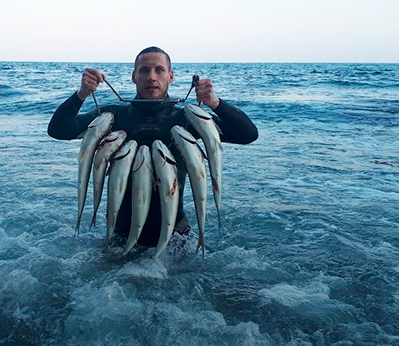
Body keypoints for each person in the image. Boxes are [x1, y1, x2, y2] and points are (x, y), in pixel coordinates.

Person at [48, 47, 258, 248]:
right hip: (121, 234)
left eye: (159, 70)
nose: (151, 77)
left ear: (171, 76)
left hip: (177, 236)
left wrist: (214, 103)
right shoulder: (114, 117)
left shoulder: (186, 119)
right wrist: (82, 94)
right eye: (144, 70)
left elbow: (247, 134)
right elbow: (59, 130)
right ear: (133, 76)